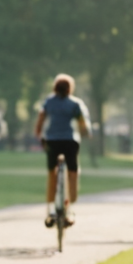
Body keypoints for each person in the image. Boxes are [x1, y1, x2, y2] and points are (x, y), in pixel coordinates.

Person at [33, 74, 91, 228]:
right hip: (70, 141)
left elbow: (40, 119)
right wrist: (86, 133)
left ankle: (51, 208)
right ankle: (70, 208)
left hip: (52, 141)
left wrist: (39, 134)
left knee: (52, 172)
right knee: (73, 171)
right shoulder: (75, 103)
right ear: (70, 88)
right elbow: (83, 124)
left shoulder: (49, 102)